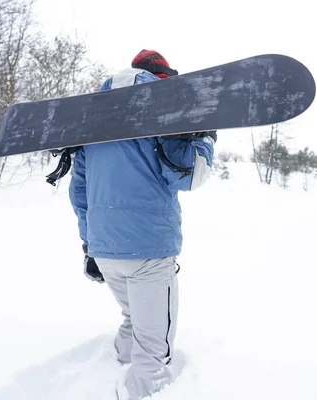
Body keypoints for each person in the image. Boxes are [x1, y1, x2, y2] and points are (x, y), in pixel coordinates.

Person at [68, 49, 216, 400]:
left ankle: (110, 368)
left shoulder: (95, 122)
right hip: (148, 252)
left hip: (105, 250)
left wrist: (89, 247)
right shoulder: (160, 112)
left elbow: (79, 193)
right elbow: (189, 176)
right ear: (161, 78)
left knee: (133, 319)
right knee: (153, 353)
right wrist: (205, 139)